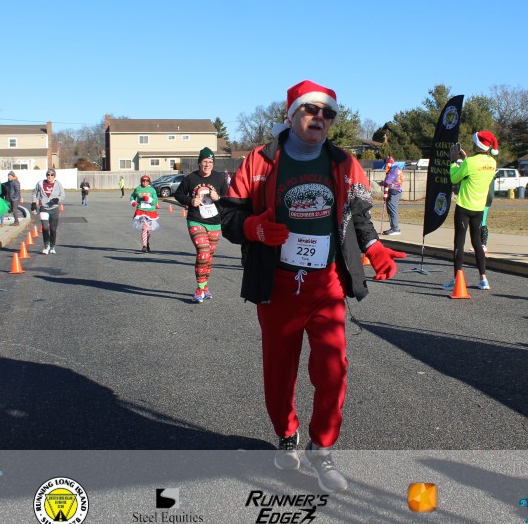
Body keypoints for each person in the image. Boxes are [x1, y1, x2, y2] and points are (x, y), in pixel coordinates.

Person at [220, 80, 406, 493]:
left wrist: (374, 247)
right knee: (279, 373)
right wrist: (254, 228)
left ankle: (322, 449)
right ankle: (287, 435)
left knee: (333, 370)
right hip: (278, 288)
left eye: (328, 113)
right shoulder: (259, 161)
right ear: (291, 115)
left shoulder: (343, 162)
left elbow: (359, 215)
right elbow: (229, 216)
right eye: (311, 110)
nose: (320, 118)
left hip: (327, 286)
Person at [174, 147, 229, 303]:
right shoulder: (190, 178)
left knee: (209, 257)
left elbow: (228, 197)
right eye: (205, 161)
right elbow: (178, 194)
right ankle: (199, 288)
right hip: (196, 220)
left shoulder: (219, 178)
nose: (207, 165)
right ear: (199, 163)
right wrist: (190, 200)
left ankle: (205, 287)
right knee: (203, 251)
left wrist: (218, 197)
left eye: (210, 162)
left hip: (214, 222)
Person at [445, 132, 498, 291]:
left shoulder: (470, 162)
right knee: (477, 243)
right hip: (479, 208)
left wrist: (453, 162)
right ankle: (483, 279)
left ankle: (457, 278)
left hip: (464, 206)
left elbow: (454, 178)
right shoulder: (492, 162)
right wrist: (465, 159)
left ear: (477, 144)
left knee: (459, 242)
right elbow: (477, 172)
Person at [34, 169, 65, 254]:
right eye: (48, 174)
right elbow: (35, 193)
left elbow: (63, 195)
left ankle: (52, 246)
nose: (50, 176)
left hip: (54, 208)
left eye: (52, 175)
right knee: (45, 228)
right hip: (44, 208)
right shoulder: (40, 183)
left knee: (53, 229)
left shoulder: (58, 184)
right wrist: (33, 203)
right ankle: (46, 246)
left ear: (54, 176)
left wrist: (57, 200)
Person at [130, 175, 160, 252]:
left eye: (147, 181)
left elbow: (155, 200)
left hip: (150, 211)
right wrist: (133, 202)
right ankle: (144, 246)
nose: (145, 182)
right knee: (144, 228)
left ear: (149, 182)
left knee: (148, 230)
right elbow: (132, 196)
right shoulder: (138, 189)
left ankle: (147, 242)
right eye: (143, 181)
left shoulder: (152, 190)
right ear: (141, 181)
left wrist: (149, 199)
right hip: (141, 211)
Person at [378, 156, 403, 235]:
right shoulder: (397, 168)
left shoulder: (393, 170)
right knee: (391, 209)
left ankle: (395, 229)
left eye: (386, 164)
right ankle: (393, 227)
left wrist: (382, 183)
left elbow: (388, 181)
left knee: (392, 210)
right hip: (395, 191)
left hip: (394, 192)